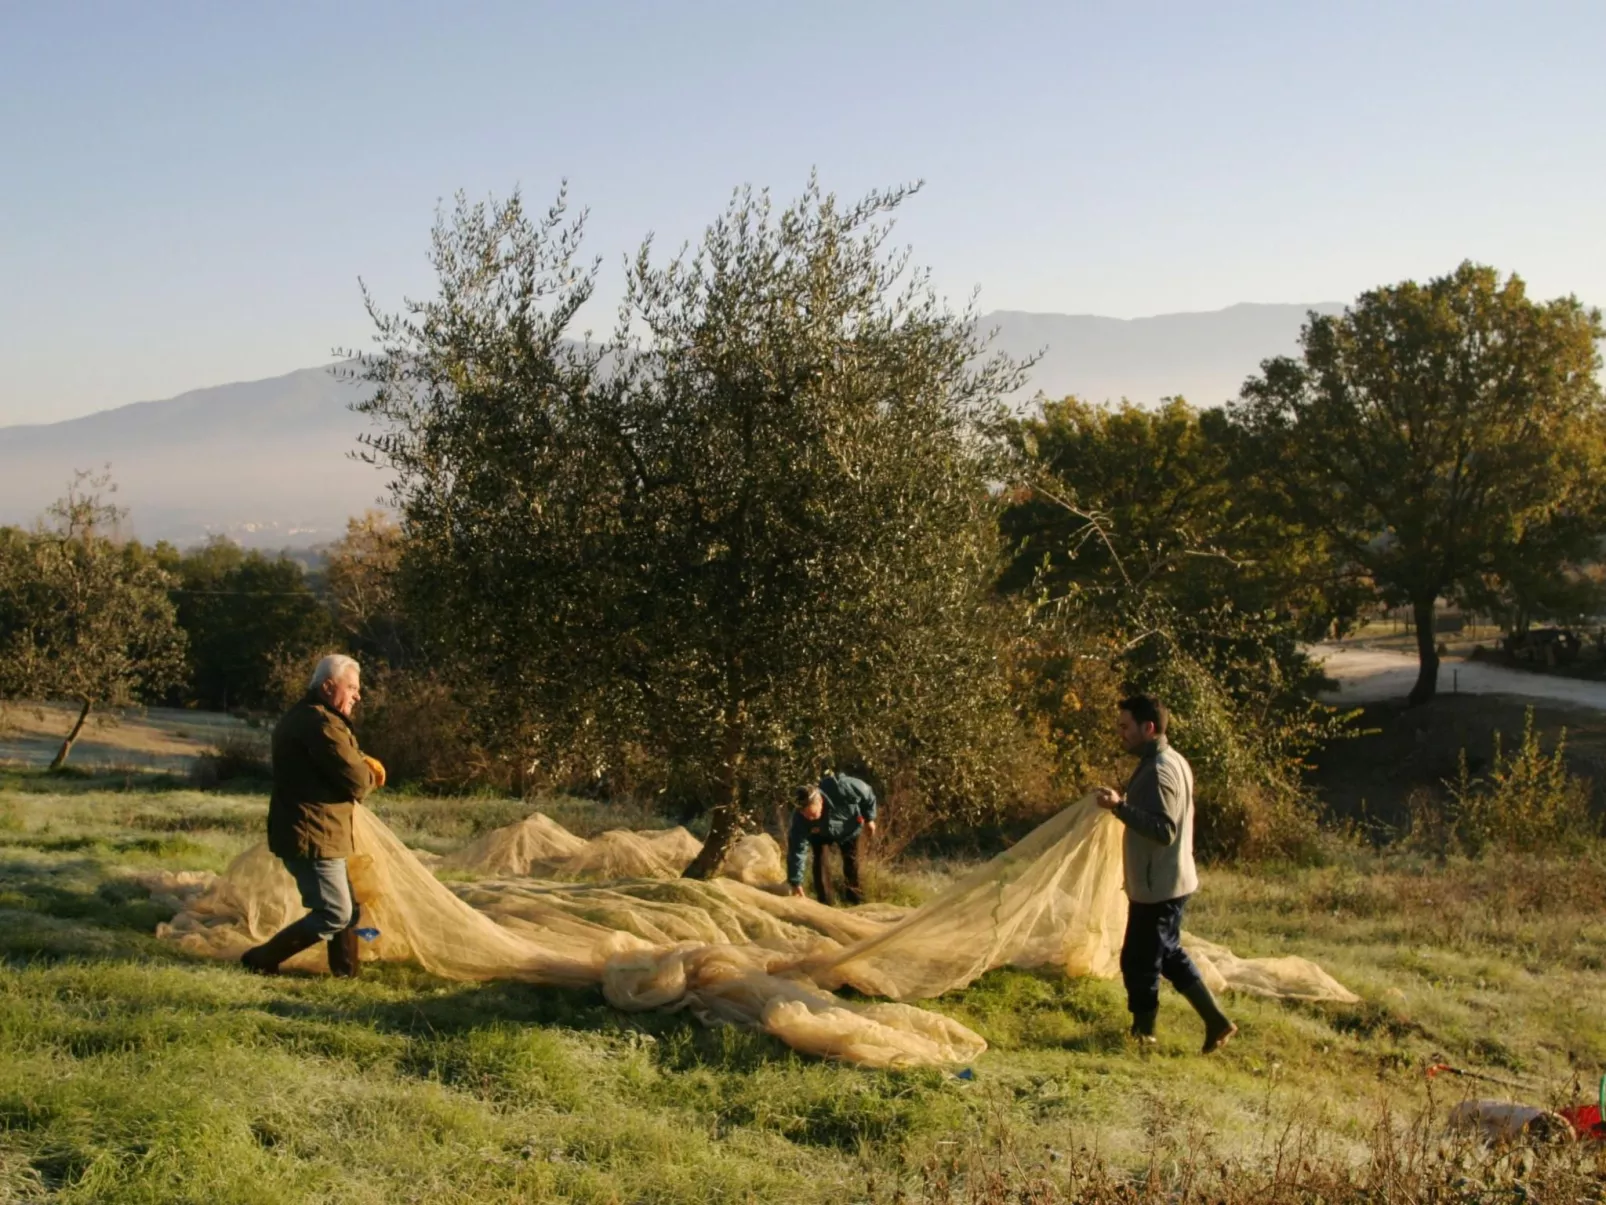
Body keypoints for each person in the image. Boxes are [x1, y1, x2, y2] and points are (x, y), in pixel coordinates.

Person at [1094, 695, 1236, 1053]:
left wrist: (1120, 808)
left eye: (1126, 727)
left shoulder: (1159, 769)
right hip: (1168, 880)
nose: (1121, 734)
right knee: (1168, 954)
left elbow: (1164, 829)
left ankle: (1144, 1036)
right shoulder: (1168, 760)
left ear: (1149, 727)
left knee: (1139, 962)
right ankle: (1217, 1022)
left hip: (1159, 886)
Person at [240, 654, 386, 978]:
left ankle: (346, 973)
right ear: (327, 686)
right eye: (352, 687)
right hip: (313, 833)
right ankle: (260, 960)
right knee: (334, 912)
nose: (358, 695)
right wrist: (371, 772)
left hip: (319, 831)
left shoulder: (313, 717)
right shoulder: (321, 724)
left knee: (348, 908)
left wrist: (359, 763)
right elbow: (358, 782)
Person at [786, 770, 878, 905]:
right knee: (820, 861)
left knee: (851, 863)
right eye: (806, 815)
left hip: (848, 827)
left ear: (820, 802)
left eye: (812, 814)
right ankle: (826, 903)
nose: (809, 818)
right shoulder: (800, 819)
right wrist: (795, 882)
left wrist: (869, 818)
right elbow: (797, 851)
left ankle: (855, 901)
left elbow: (867, 793)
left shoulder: (842, 787)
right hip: (820, 835)